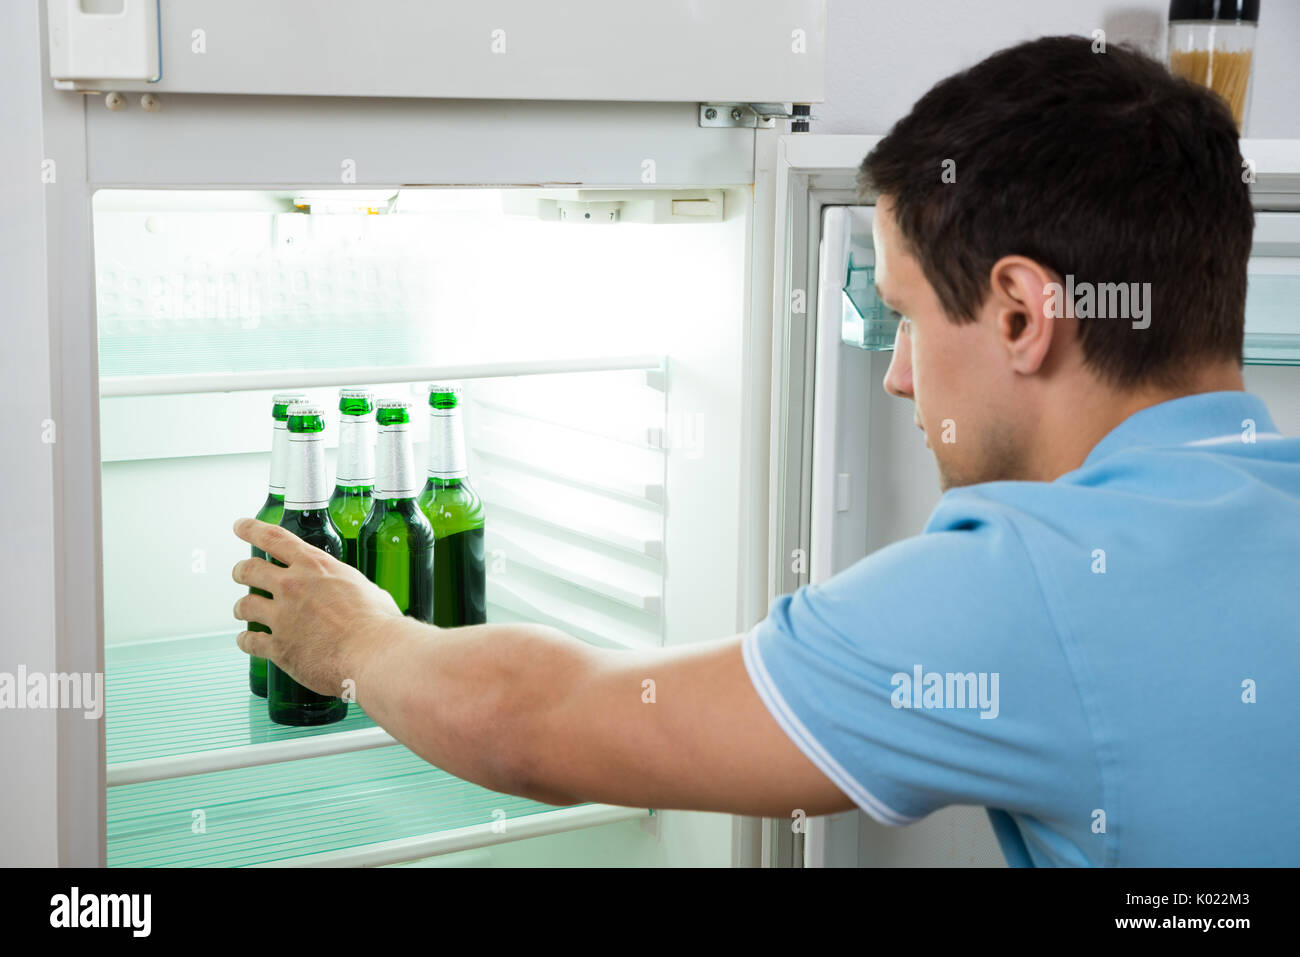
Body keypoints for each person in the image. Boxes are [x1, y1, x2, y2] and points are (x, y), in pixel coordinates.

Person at [231, 36, 1300, 866]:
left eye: (905, 319)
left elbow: (537, 724)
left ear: (1021, 313)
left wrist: (358, 640)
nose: (894, 375)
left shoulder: (1028, 586)